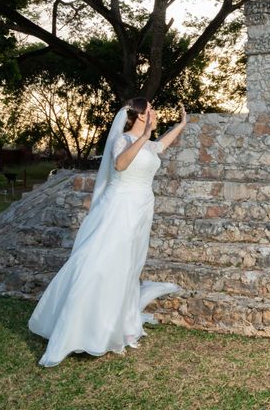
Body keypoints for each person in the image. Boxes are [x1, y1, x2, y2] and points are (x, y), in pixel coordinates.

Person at [29, 98, 187, 367]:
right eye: (151, 109)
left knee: (128, 266)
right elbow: (121, 165)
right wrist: (146, 135)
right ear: (139, 116)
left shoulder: (149, 144)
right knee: (101, 263)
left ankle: (120, 323)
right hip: (120, 207)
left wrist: (181, 125)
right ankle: (80, 327)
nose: (157, 113)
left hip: (142, 208)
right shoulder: (123, 141)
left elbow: (161, 145)